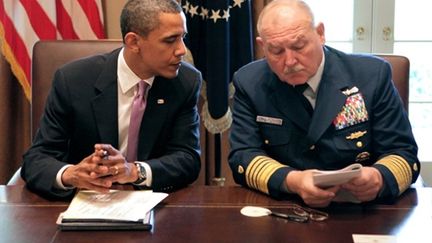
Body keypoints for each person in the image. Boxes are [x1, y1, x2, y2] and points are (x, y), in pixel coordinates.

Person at [228, 0, 420, 208]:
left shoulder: (371, 75)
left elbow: (402, 153)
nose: (290, 61)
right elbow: (244, 156)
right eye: (276, 51)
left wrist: (378, 177)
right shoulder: (249, 82)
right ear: (262, 46)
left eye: (298, 46)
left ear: (320, 33)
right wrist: (294, 181)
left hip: (360, 208)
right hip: (286, 208)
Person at [21, 0, 202, 199]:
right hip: (83, 202)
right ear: (134, 42)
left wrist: (133, 171)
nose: (182, 50)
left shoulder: (185, 82)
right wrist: (71, 175)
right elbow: (37, 158)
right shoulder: (73, 81)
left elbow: (187, 159)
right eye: (170, 40)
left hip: (152, 205)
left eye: (183, 37)